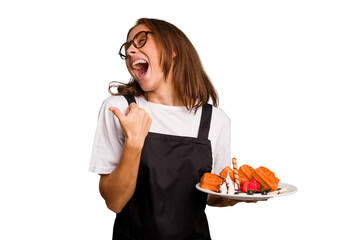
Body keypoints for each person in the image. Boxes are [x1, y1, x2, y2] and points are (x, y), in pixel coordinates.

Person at [89, 18, 239, 240]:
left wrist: (238, 195)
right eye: (127, 47)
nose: (130, 50)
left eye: (141, 41)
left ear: (173, 49)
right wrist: (134, 142)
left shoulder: (215, 120)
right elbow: (115, 201)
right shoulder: (120, 108)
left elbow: (213, 195)